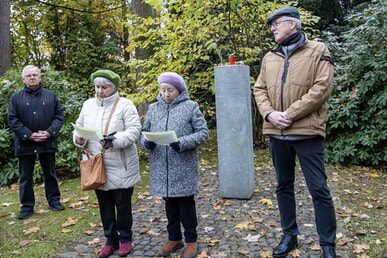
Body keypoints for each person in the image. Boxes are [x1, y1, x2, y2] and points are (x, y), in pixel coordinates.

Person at [253, 7, 337, 258]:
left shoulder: (319, 50)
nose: (272, 28)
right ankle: (289, 236)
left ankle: (327, 245)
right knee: (283, 187)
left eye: (276, 24)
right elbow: (259, 89)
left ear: (292, 24)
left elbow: (322, 87)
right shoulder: (270, 57)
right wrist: (270, 114)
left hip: (307, 132)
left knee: (319, 189)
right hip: (276, 133)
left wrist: (290, 113)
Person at [73, 70, 141, 258]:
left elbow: (135, 130)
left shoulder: (125, 105)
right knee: (104, 205)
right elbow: (79, 125)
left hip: (121, 163)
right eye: (97, 87)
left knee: (123, 204)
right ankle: (111, 239)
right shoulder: (88, 105)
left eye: (104, 87)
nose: (100, 91)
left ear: (114, 88)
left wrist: (114, 140)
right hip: (97, 163)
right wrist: (78, 138)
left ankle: (126, 238)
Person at [140, 72, 209, 258]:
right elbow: (144, 132)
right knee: (169, 205)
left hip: (183, 165)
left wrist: (183, 142)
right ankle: (174, 239)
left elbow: (203, 133)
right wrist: (146, 142)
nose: (166, 94)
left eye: (170, 90)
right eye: (163, 90)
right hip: (161, 166)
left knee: (186, 204)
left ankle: (191, 241)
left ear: (179, 90)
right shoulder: (153, 109)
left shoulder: (191, 107)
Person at [8, 65, 65, 220]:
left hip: (47, 141)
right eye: (29, 75)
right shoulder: (16, 98)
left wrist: (49, 132)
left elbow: (59, 116)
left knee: (50, 174)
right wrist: (29, 135)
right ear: (23, 79)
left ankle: (54, 201)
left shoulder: (51, 96)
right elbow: (13, 120)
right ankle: (27, 206)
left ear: (40, 77)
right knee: (25, 176)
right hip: (25, 143)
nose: (32, 77)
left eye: (35, 74)